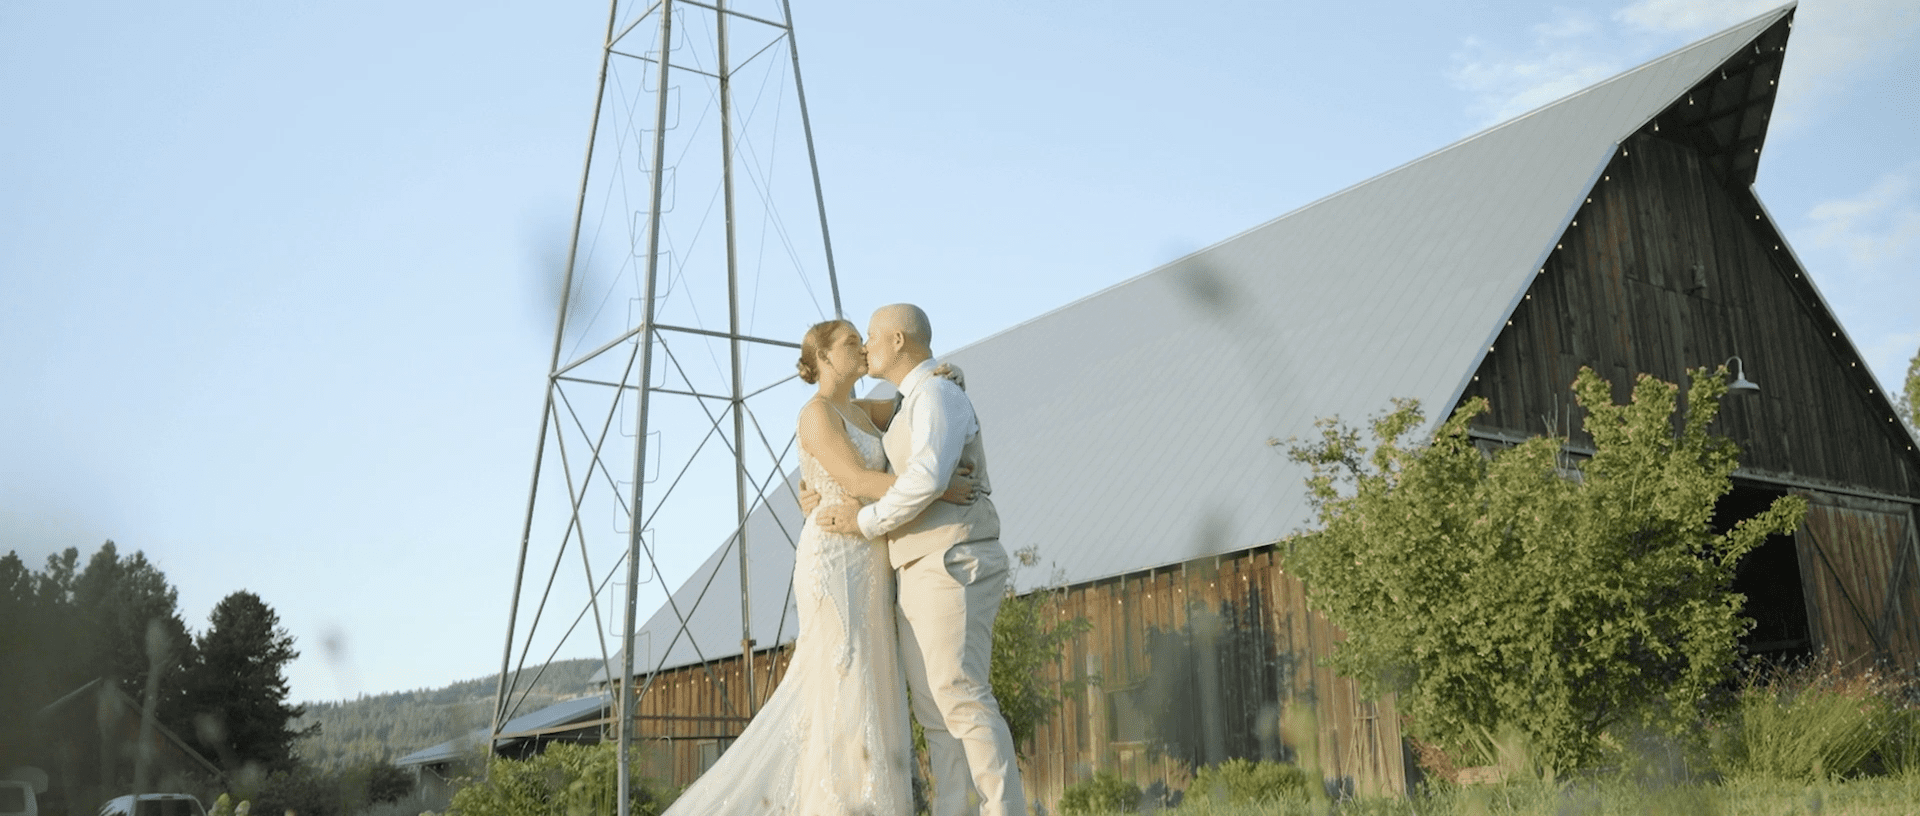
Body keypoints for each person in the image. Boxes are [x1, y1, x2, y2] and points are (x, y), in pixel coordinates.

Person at [659, 318, 972, 816]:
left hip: (870, 558)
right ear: (824, 358)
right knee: (843, 679)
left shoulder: (862, 409)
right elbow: (855, 477)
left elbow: (912, 400)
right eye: (851, 343)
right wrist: (936, 488)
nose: (863, 348)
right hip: (835, 563)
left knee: (874, 680)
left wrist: (943, 374)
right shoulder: (816, 413)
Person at [815, 304, 1027, 816]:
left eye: (870, 337)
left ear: (897, 342)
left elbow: (930, 477)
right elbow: (852, 420)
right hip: (915, 564)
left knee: (962, 696)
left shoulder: (937, 394)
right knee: (936, 712)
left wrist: (864, 522)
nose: (865, 346)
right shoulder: (916, 396)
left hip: (951, 557)